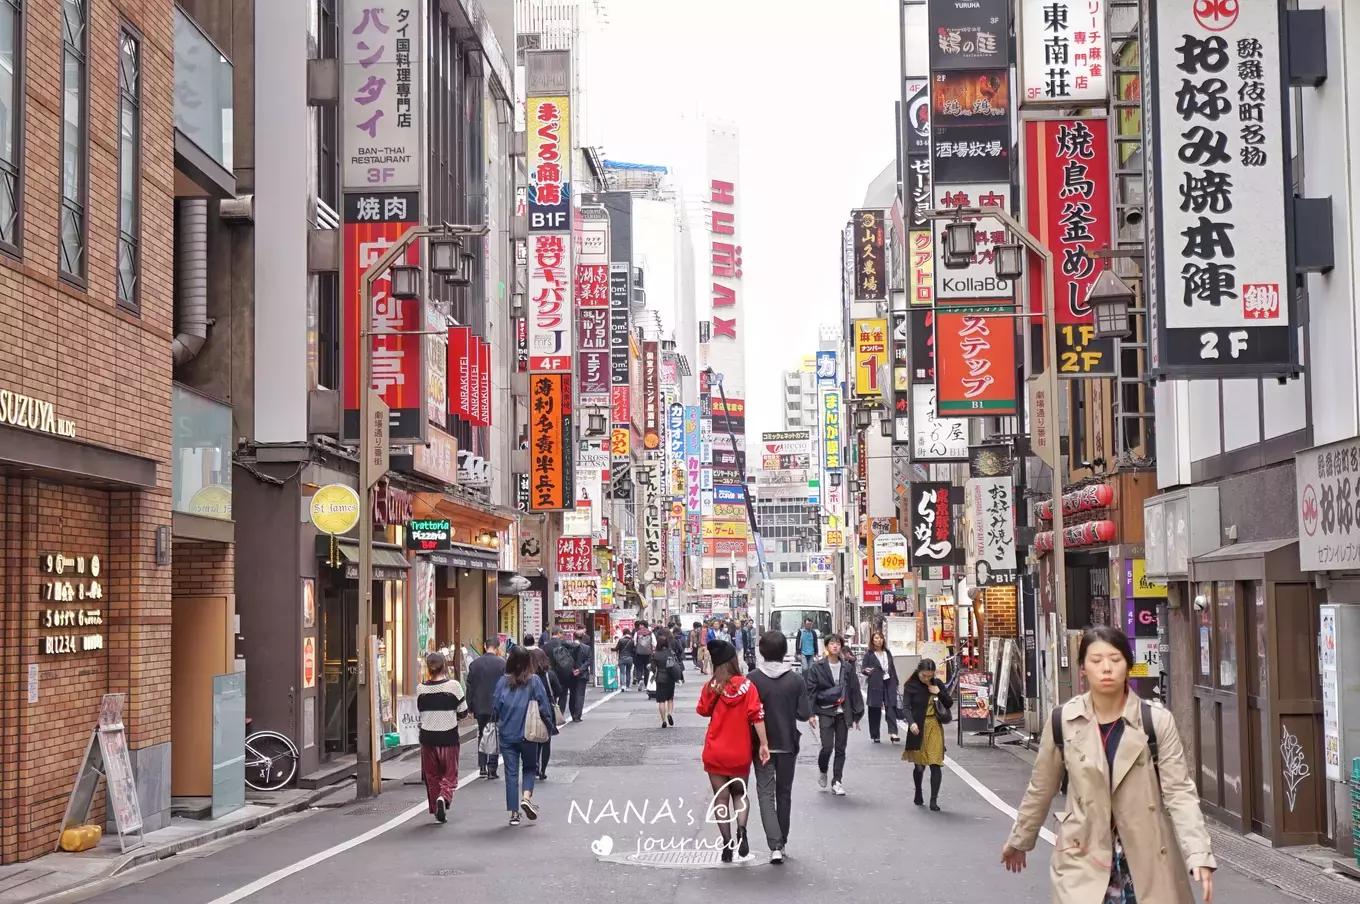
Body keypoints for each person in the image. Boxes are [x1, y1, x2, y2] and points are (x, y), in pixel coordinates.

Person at [1001, 626, 1216, 904]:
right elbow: (1041, 788)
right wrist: (1020, 839)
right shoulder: (1062, 721)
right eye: (1096, 660)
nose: (1106, 669)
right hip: (1082, 856)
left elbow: (1179, 793)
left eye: (1115, 660)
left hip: (1147, 857)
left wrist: (1199, 855)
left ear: (1128, 665)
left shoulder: (1155, 721)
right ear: (1082, 668)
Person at [697, 639, 770, 863]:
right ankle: (742, 830)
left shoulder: (712, 686)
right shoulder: (748, 686)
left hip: (716, 749)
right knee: (740, 794)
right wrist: (764, 744)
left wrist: (714, 692)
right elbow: (756, 715)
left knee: (721, 798)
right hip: (739, 750)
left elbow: (702, 710)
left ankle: (727, 844)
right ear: (733, 660)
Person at [748, 631, 811, 864]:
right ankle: (782, 841)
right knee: (784, 793)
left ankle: (774, 844)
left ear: (762, 651)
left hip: (760, 744)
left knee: (765, 793)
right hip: (787, 743)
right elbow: (804, 713)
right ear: (785, 651)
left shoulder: (752, 678)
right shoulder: (795, 679)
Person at [491, 647, 558, 826]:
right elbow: (544, 706)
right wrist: (550, 726)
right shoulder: (534, 680)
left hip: (507, 734)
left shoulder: (502, 682)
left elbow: (495, 707)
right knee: (529, 768)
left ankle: (514, 814)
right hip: (529, 733)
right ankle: (526, 797)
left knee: (511, 774)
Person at [804, 633, 863, 796]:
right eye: (831, 643)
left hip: (843, 712)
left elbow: (854, 690)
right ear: (826, 646)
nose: (835, 646)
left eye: (838, 643)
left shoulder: (847, 668)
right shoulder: (817, 667)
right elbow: (811, 691)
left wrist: (857, 714)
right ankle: (823, 770)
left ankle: (837, 780)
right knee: (827, 746)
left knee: (841, 748)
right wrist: (810, 713)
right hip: (825, 711)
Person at [416, 651, 469, 823]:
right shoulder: (453, 686)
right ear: (444, 666)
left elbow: (421, 711)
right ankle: (444, 797)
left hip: (428, 738)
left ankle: (435, 806)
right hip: (448, 737)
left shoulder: (421, 689)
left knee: (432, 776)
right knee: (450, 774)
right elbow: (463, 712)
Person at [901, 657, 953, 811]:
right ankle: (918, 791)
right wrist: (911, 723)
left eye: (930, 675)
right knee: (919, 766)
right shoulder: (911, 686)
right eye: (924, 675)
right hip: (918, 727)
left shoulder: (937, 684)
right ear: (919, 671)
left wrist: (939, 692)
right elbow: (905, 707)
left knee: (935, 763)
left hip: (934, 726)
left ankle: (933, 800)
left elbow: (949, 703)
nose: (927, 678)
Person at [466, 637, 506, 779]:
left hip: (479, 704)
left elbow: (469, 687)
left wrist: (470, 707)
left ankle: (482, 766)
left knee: (482, 733)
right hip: (496, 704)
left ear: (484, 646)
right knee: (494, 734)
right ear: (497, 647)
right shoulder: (502, 664)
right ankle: (492, 768)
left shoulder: (475, 664)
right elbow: (505, 686)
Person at [524, 634, 561, 780]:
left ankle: (533, 767)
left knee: (530, 740)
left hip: (528, 711)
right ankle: (543, 770)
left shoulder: (525, 677)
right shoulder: (548, 675)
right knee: (546, 741)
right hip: (546, 711)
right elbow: (558, 690)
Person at [861, 631, 900, 744]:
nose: (879, 640)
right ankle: (875, 734)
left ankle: (893, 733)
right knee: (874, 708)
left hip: (889, 682)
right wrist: (869, 671)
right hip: (875, 683)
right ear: (872, 641)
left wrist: (896, 682)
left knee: (891, 706)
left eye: (881, 638)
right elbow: (863, 668)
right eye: (876, 638)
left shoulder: (887, 652)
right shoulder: (869, 654)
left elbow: (892, 668)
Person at [650, 627, 684, 727]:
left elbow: (652, 667)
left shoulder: (655, 654)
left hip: (660, 678)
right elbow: (673, 664)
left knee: (661, 700)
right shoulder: (670, 653)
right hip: (670, 678)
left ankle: (663, 720)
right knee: (670, 699)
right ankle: (669, 714)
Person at [570, 629, 592, 721]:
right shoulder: (586, 648)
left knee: (572, 694)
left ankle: (572, 714)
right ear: (582, 637)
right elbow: (589, 661)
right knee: (580, 695)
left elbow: (566, 660)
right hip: (582, 674)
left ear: (574, 637)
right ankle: (577, 716)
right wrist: (580, 670)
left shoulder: (569, 647)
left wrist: (572, 669)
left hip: (571, 674)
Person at [632, 620, 656, 690]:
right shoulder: (651, 633)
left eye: (640, 625)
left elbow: (634, 643)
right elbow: (654, 643)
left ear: (642, 625)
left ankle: (640, 680)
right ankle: (646, 684)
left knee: (639, 668)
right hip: (648, 654)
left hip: (639, 653)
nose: (639, 626)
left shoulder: (637, 633)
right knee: (647, 669)